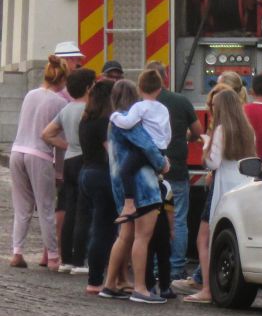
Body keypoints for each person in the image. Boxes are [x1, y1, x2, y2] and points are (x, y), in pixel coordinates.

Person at [185, 87, 255, 304]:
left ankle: (206, 288)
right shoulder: (247, 130)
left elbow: (212, 162)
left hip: (222, 187)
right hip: (242, 187)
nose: (212, 109)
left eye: (214, 107)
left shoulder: (221, 130)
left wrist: (206, 145)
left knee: (203, 238)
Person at [100, 79, 168, 303]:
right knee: (142, 237)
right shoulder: (131, 123)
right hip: (144, 187)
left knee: (125, 236)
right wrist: (162, 163)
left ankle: (109, 284)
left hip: (121, 187)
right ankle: (140, 288)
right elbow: (147, 146)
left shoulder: (113, 122)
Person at [9, 54, 73, 269]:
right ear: (62, 79)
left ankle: (17, 252)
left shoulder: (30, 95)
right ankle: (54, 257)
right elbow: (59, 140)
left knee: (22, 208)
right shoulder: (60, 102)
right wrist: (59, 172)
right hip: (39, 155)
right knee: (46, 207)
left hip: (17, 151)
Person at [146, 60, 201, 282]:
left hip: (151, 170)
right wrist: (186, 137)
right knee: (178, 219)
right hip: (177, 168)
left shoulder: (141, 104)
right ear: (165, 78)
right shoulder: (181, 101)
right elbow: (197, 131)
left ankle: (156, 265)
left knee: (152, 217)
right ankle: (177, 266)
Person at [41, 67, 96, 274]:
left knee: (70, 209)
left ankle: (67, 259)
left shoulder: (66, 109)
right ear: (89, 87)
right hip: (85, 159)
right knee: (84, 211)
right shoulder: (90, 110)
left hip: (69, 161)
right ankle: (80, 260)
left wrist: (66, 144)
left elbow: (46, 134)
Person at [110, 69, 171, 223]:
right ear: (159, 89)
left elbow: (128, 123)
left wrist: (115, 116)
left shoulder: (139, 107)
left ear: (139, 88)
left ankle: (129, 204)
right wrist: (163, 151)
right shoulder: (163, 109)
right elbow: (168, 132)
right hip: (161, 148)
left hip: (144, 149)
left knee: (126, 171)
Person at [77, 79, 116, 295]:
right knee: (103, 229)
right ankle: (96, 279)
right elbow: (112, 154)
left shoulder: (86, 120)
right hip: (102, 175)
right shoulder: (104, 123)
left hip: (86, 172)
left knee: (95, 225)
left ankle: (96, 276)